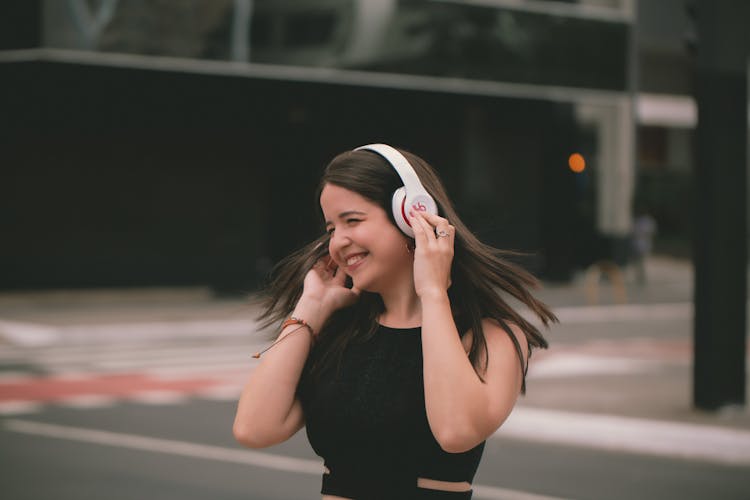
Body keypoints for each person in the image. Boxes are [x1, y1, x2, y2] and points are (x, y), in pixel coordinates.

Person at [233, 144, 555, 499]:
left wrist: (433, 292)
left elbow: (456, 431)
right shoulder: (339, 331)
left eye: (352, 221)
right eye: (330, 228)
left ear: (411, 214)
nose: (338, 242)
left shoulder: (491, 335)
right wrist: (310, 307)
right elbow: (254, 428)